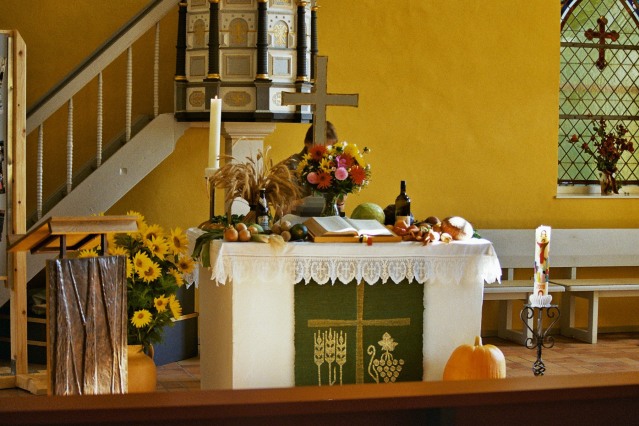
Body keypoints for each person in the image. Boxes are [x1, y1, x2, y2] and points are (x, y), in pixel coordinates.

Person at [285, 122, 347, 214]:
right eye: (320, 148)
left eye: (328, 149)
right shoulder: (291, 165)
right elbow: (282, 207)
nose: (324, 153)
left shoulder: (332, 167)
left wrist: (340, 202)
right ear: (307, 143)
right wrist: (307, 203)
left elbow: (339, 208)